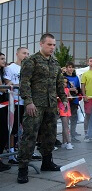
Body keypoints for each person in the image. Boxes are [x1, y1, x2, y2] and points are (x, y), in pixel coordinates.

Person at [17, 33, 68, 184]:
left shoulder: (55, 63)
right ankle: (23, 169)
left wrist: (64, 99)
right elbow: (24, 83)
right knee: (29, 137)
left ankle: (47, 162)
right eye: (49, 44)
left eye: (54, 45)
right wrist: (28, 102)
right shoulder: (31, 61)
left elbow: (59, 83)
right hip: (35, 106)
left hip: (51, 105)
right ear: (41, 44)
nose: (52, 47)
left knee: (50, 135)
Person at [4, 47, 30, 164]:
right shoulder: (10, 68)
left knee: (27, 128)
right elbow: (7, 82)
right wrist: (18, 85)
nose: (26, 55)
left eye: (28, 53)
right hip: (14, 102)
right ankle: (11, 153)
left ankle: (26, 151)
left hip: (27, 102)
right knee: (13, 129)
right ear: (17, 54)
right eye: (24, 53)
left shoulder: (29, 68)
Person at [63, 62, 81, 142]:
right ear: (66, 68)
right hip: (66, 100)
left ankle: (73, 134)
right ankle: (66, 137)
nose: (70, 69)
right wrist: (70, 89)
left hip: (74, 99)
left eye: (72, 67)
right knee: (65, 119)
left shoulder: (76, 77)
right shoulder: (63, 77)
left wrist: (77, 91)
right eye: (69, 67)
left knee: (74, 118)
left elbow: (78, 88)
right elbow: (62, 88)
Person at [0, 52, 11, 172]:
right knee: (3, 132)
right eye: (2, 59)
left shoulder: (2, 72)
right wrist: (10, 83)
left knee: (4, 132)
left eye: (4, 58)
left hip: (3, 105)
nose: (4, 61)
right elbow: (3, 88)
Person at [58, 77, 73, 150]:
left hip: (68, 109)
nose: (65, 84)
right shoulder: (58, 90)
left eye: (66, 82)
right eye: (63, 82)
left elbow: (70, 97)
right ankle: (69, 142)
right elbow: (59, 98)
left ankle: (64, 142)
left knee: (66, 126)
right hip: (62, 109)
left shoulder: (67, 89)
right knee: (66, 126)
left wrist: (69, 97)